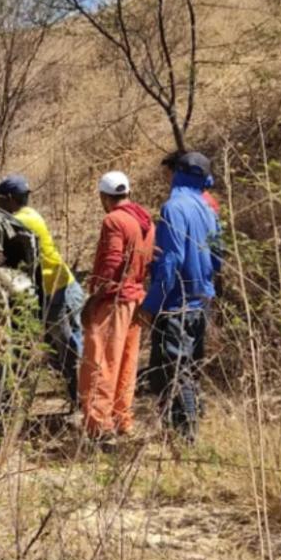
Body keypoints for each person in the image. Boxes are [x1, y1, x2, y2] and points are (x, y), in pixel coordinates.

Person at [140, 152, 221, 443]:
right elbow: (217, 257)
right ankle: (189, 425)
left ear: (179, 173)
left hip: (176, 303)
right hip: (201, 301)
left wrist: (151, 304)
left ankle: (186, 438)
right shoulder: (207, 208)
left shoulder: (174, 208)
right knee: (191, 367)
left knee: (174, 370)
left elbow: (169, 262)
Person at [0, 174, 85, 405]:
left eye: (0, 199)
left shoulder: (22, 220)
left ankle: (83, 399)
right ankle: (80, 397)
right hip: (57, 288)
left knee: (71, 347)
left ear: (11, 199)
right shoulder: (28, 215)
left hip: (60, 290)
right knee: (63, 347)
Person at [78, 171, 155, 441]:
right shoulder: (144, 219)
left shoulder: (114, 220)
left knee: (101, 362)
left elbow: (111, 265)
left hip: (113, 300)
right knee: (126, 363)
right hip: (136, 298)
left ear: (104, 196)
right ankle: (122, 419)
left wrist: (93, 299)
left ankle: (99, 425)